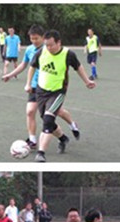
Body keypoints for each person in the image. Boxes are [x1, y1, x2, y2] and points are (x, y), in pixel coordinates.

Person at [2, 25, 80, 150]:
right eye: (31, 39)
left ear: (43, 37)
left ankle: (72, 124)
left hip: (51, 88)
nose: (34, 41)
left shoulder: (50, 48)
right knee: (31, 112)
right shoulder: (29, 50)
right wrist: (10, 75)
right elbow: (24, 65)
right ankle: (34, 140)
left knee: (58, 112)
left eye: (36, 38)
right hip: (35, 87)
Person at [26, 29, 95, 162]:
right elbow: (32, 67)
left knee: (47, 120)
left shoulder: (68, 54)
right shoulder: (41, 52)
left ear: (59, 42)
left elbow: (78, 67)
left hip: (58, 92)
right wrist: (28, 84)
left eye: (51, 45)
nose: (48, 48)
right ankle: (63, 138)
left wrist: (87, 81)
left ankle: (41, 153)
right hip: (41, 92)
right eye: (46, 45)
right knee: (48, 121)